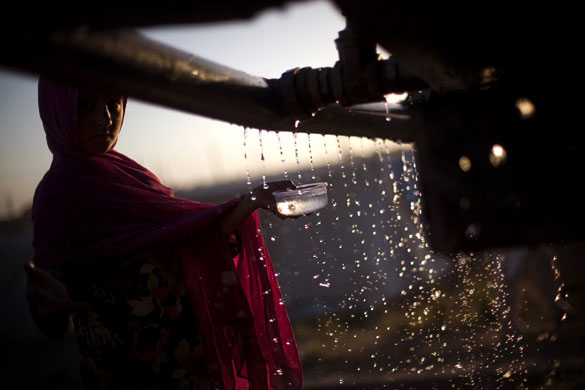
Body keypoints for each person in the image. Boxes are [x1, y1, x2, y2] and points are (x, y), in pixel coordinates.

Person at [25, 77, 303, 389]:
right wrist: (47, 308)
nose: (104, 118)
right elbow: (52, 314)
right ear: (57, 110)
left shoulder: (135, 177)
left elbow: (189, 244)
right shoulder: (57, 195)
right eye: (85, 106)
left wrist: (251, 202)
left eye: (113, 103)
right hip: (126, 372)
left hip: (189, 361)